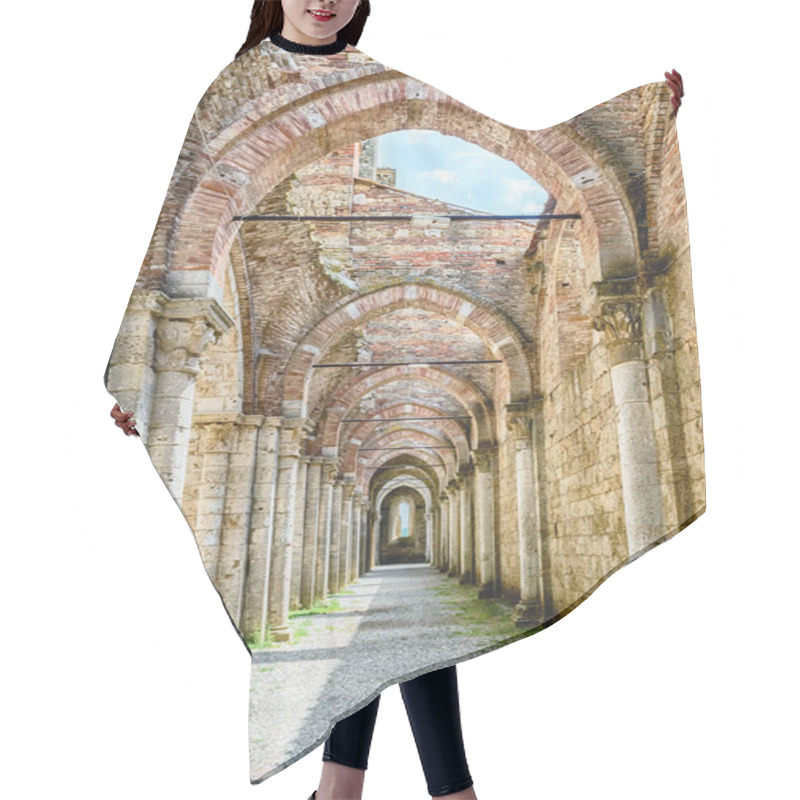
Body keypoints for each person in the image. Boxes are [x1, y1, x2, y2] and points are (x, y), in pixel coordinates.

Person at [110, 2, 685, 798]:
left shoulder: (374, 74)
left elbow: (505, 138)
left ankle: (348, 791)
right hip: (343, 360)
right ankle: (436, 792)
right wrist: (138, 360)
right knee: (400, 635)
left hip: (414, 355)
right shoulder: (235, 85)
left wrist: (637, 116)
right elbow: (178, 219)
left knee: (396, 631)